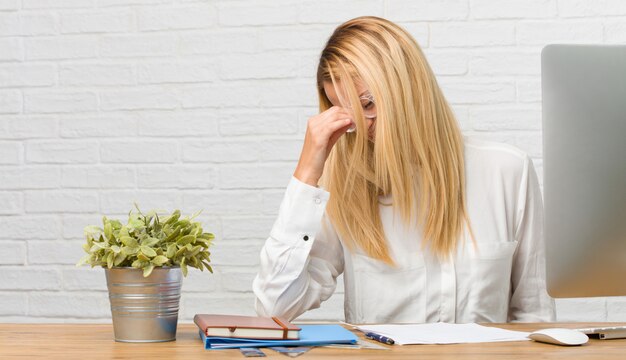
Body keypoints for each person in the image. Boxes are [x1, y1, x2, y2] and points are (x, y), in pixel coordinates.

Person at [253, 16, 555, 324]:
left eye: (368, 104)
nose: (361, 126)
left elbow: (534, 315)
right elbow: (275, 308)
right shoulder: (342, 187)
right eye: (348, 113)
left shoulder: (508, 171)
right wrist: (306, 175)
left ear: (409, 89)